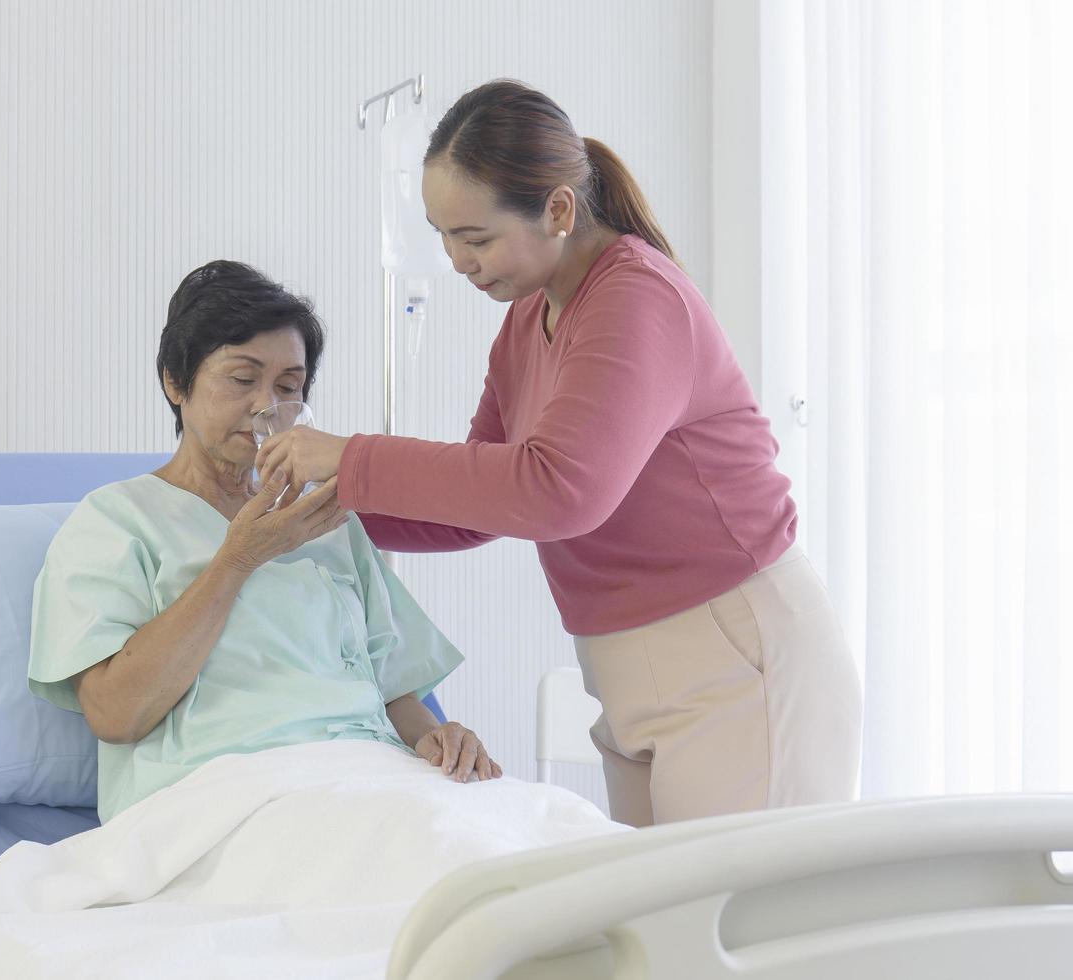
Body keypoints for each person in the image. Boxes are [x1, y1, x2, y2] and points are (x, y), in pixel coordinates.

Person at [256, 81, 862, 826]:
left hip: (731, 654)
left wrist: (349, 457)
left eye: (474, 238)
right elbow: (474, 509)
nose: (455, 262)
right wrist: (320, 512)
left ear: (559, 210)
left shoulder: (636, 300)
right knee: (654, 930)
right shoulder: (526, 323)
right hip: (627, 669)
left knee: (737, 927)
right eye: (442, 235)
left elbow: (559, 491)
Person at [28, 259, 502, 823]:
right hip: (223, 795)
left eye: (287, 387)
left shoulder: (326, 519)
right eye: (242, 378)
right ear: (175, 381)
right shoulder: (117, 520)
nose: (264, 406)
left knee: (527, 842)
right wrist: (238, 559)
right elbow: (116, 714)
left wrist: (438, 739)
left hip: (369, 775)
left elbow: (395, 688)